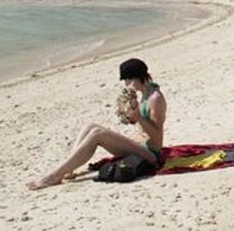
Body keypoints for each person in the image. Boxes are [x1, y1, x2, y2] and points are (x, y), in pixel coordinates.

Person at [27, 58, 165, 190]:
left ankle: (55, 175)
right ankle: (69, 169)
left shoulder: (155, 99)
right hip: (138, 146)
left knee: (98, 134)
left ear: (134, 78)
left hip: (149, 154)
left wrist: (139, 117)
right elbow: (137, 124)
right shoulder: (145, 93)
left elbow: (156, 135)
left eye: (127, 80)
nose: (126, 84)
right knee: (90, 126)